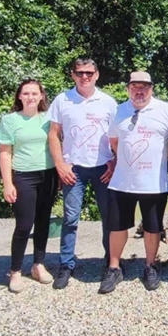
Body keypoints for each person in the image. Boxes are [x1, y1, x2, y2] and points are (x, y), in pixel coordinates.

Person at [99, 72, 168, 294]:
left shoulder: (166, 110)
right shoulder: (118, 110)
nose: (139, 91)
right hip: (122, 180)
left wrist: (156, 160)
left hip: (153, 181)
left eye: (144, 87)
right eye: (134, 87)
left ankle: (150, 266)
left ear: (152, 88)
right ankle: (114, 267)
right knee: (117, 226)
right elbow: (113, 140)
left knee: (152, 227)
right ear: (128, 89)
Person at [48, 58, 118, 290]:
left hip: (103, 167)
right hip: (73, 168)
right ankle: (66, 265)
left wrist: (115, 162)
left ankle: (111, 263)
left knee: (109, 218)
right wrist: (60, 164)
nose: (85, 76)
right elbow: (54, 134)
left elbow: (117, 138)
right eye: (80, 72)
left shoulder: (108, 102)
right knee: (70, 218)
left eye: (89, 72)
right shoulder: (62, 100)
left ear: (97, 75)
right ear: (73, 75)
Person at [0, 79, 59, 293]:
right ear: (19, 96)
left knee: (43, 222)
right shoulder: (10, 120)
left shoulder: (49, 118)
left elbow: (58, 145)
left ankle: (38, 265)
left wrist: (59, 173)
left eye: (35, 93)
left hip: (48, 175)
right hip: (23, 176)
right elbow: (5, 153)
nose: (31, 97)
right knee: (24, 225)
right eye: (26, 93)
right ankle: (15, 271)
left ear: (41, 96)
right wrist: (8, 183)